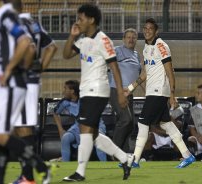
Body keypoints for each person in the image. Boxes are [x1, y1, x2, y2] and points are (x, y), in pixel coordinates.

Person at [0, 1, 52, 183]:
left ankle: (40, 166)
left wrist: (10, 69)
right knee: (0, 134)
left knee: (0, 135)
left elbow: (27, 43)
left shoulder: (7, 16)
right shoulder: (1, 18)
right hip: (2, 85)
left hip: (10, 85)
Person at [62, 3, 134, 182]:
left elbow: (114, 67)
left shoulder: (103, 40)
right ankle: (126, 158)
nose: (78, 21)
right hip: (86, 90)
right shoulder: (83, 39)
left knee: (85, 130)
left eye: (81, 18)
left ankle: (80, 172)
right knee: (91, 133)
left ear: (91, 19)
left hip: (98, 89)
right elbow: (66, 54)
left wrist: (119, 93)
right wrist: (72, 36)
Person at [125, 18, 195, 168]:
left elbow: (170, 71)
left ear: (156, 31)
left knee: (143, 122)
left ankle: (135, 160)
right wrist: (130, 88)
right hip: (152, 91)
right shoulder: (146, 48)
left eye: (150, 28)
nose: (147, 30)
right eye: (145, 28)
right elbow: (144, 74)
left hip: (159, 91)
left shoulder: (161, 45)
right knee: (166, 123)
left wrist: (172, 94)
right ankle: (187, 155)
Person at [10, 0, 57, 183]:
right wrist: (40, 68)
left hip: (22, 83)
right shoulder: (33, 24)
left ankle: (31, 173)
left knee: (20, 129)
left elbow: (28, 48)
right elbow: (52, 47)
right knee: (23, 129)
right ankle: (28, 175)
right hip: (32, 82)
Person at [53, 80, 107, 162]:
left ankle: (105, 165)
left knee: (98, 139)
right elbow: (55, 113)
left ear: (72, 91)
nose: (63, 91)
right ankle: (65, 165)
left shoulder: (85, 99)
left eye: (65, 89)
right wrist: (61, 130)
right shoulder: (64, 102)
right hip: (78, 126)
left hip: (95, 124)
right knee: (65, 138)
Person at [109, 28, 141, 152]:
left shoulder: (137, 55)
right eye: (128, 37)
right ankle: (114, 150)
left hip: (129, 94)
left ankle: (124, 154)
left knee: (130, 124)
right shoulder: (117, 50)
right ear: (123, 39)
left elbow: (139, 76)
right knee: (126, 120)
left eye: (134, 37)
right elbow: (106, 62)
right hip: (116, 91)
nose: (131, 39)